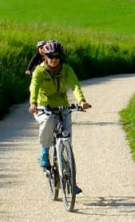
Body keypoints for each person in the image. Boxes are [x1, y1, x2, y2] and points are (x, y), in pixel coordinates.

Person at [28, 40, 91, 192]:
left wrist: (81, 101)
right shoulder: (39, 71)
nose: (54, 59)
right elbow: (34, 87)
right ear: (45, 56)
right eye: (50, 56)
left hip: (62, 106)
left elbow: (75, 85)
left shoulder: (66, 69)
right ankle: (44, 153)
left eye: (57, 56)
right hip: (43, 107)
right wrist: (34, 103)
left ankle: (71, 180)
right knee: (48, 121)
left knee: (67, 140)